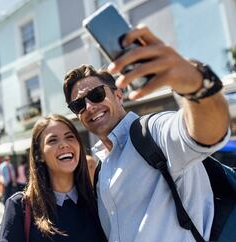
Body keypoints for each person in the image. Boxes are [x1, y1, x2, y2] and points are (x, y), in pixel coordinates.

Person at [63, 26, 230, 241]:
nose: (89, 107)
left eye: (96, 94)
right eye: (78, 105)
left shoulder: (152, 131)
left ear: (118, 95)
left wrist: (197, 85)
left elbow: (206, 133)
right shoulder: (102, 169)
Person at [0, 114, 106, 242]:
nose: (64, 144)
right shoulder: (19, 206)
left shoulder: (98, 201)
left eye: (70, 137)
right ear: (39, 155)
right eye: (52, 140)